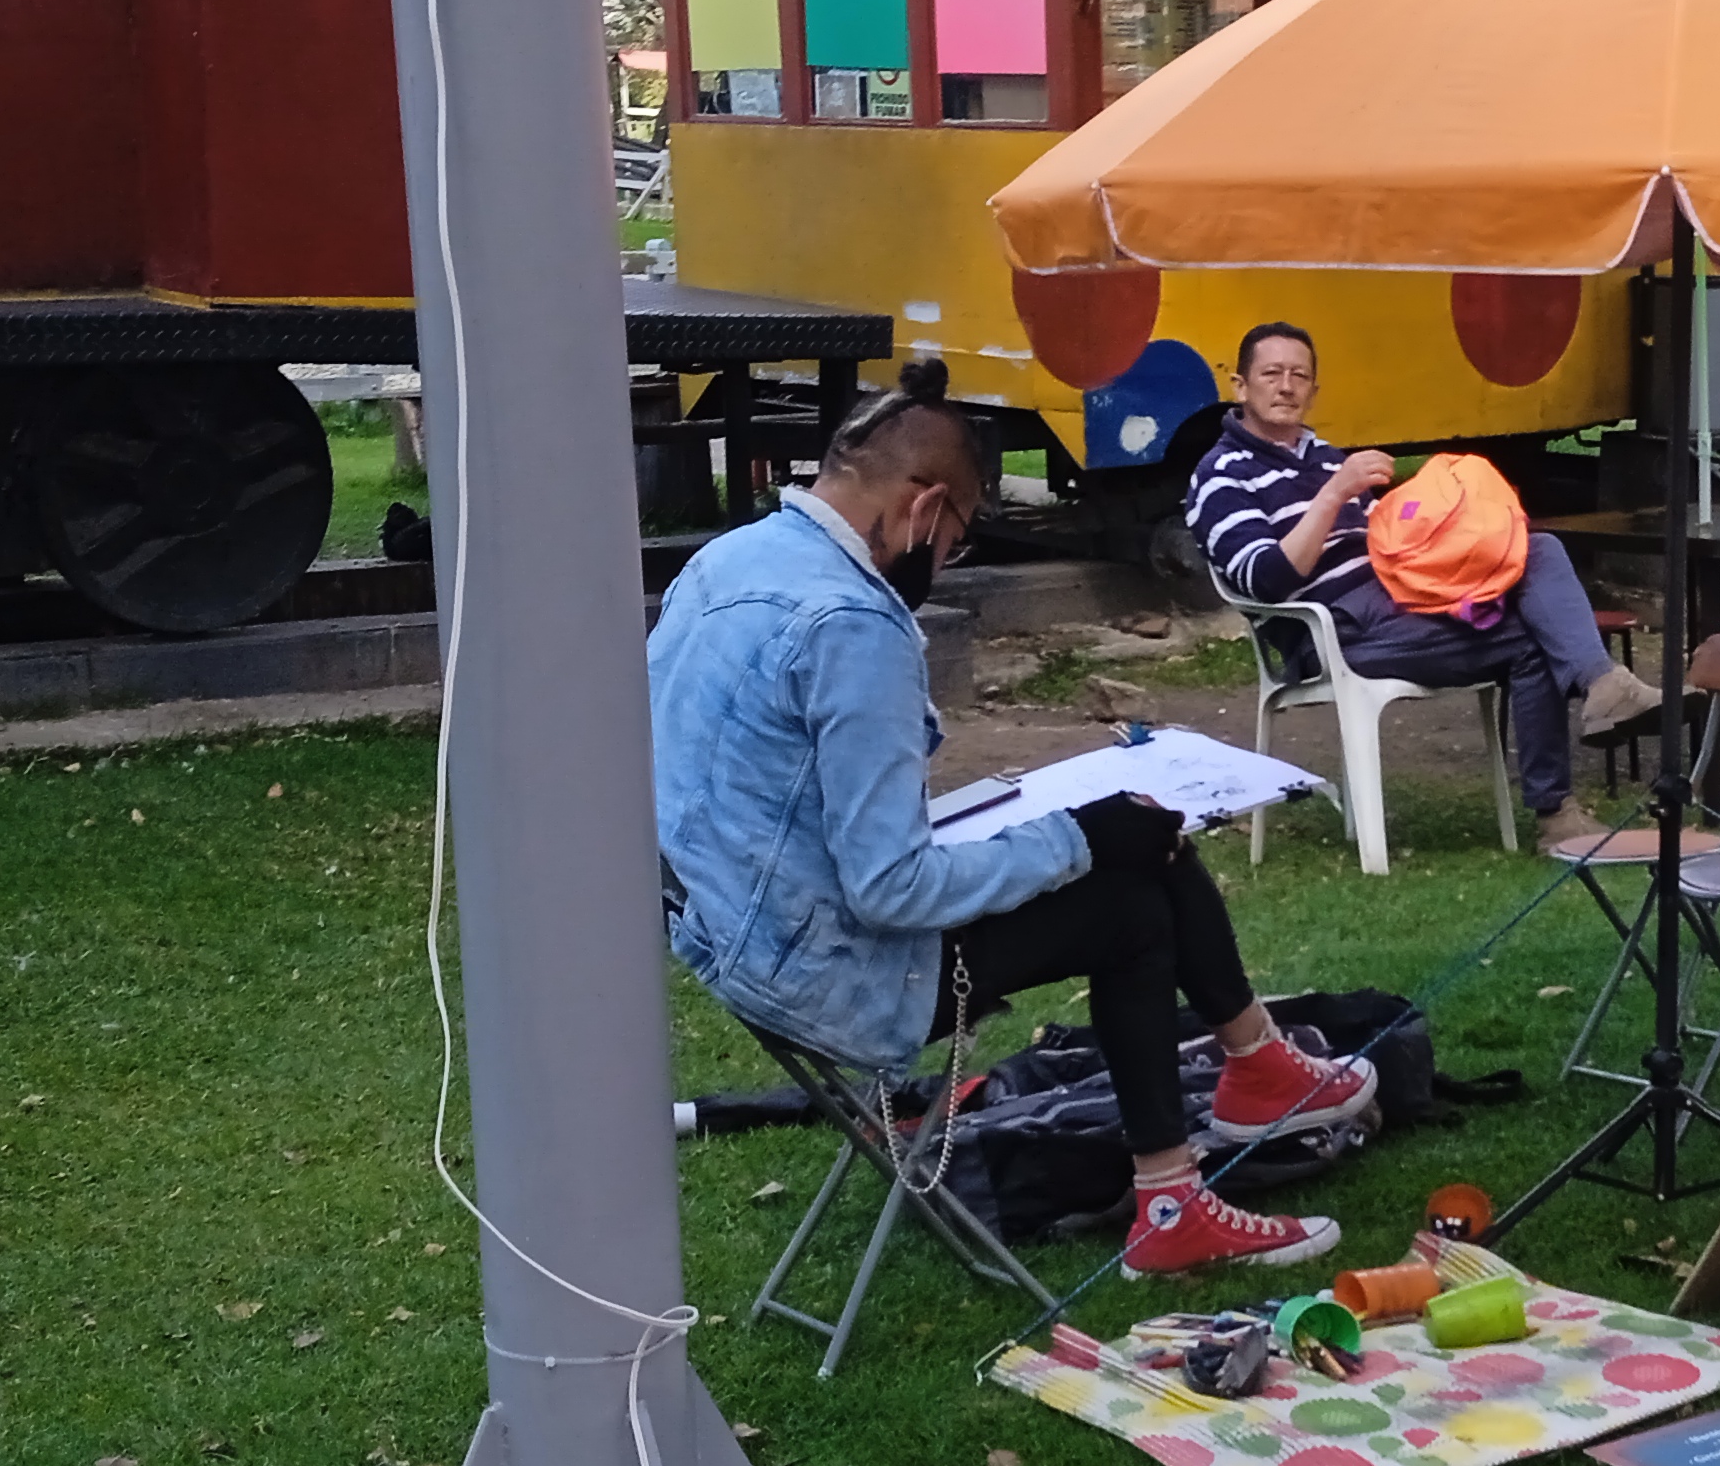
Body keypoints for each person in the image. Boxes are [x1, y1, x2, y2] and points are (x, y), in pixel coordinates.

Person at [650, 358, 1380, 1279]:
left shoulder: (733, 558)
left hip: (733, 933)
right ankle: (1183, 1184)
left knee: (1129, 850)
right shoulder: (852, 625)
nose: (949, 557)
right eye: (959, 536)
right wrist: (1076, 837)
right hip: (829, 974)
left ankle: (1242, 1089)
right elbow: (890, 887)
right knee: (1132, 899)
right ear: (926, 511)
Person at [1188, 321, 1658, 855]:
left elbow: (1389, 541)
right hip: (1332, 631)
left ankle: (1600, 689)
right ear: (1240, 385)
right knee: (1535, 640)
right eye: (1271, 374)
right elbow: (1266, 579)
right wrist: (1334, 494)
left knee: (1534, 547)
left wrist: (1453, 531)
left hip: (1404, 599)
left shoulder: (1322, 454)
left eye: (1300, 376)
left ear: (1314, 390)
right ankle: (1563, 796)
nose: (1286, 386)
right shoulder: (1221, 476)